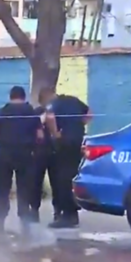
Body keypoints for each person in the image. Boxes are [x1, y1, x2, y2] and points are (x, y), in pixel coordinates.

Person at [0, 86, 42, 229]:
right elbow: (40, 136)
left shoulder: (1, 112)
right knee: (24, 188)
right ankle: (24, 221)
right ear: (24, 97)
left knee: (2, 187)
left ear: (11, 96)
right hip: (25, 154)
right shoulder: (31, 112)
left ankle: (0, 220)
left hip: (4, 153)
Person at [44, 91, 92, 229]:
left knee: (62, 178)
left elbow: (50, 117)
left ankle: (67, 215)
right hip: (78, 141)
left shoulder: (53, 103)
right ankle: (73, 213)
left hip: (64, 142)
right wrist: (78, 125)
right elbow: (89, 114)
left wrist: (55, 134)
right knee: (73, 175)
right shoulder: (74, 100)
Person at [31, 87, 61, 222]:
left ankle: (58, 210)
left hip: (53, 151)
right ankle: (34, 210)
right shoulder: (37, 113)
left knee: (56, 183)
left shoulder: (57, 112)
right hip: (40, 151)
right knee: (36, 182)